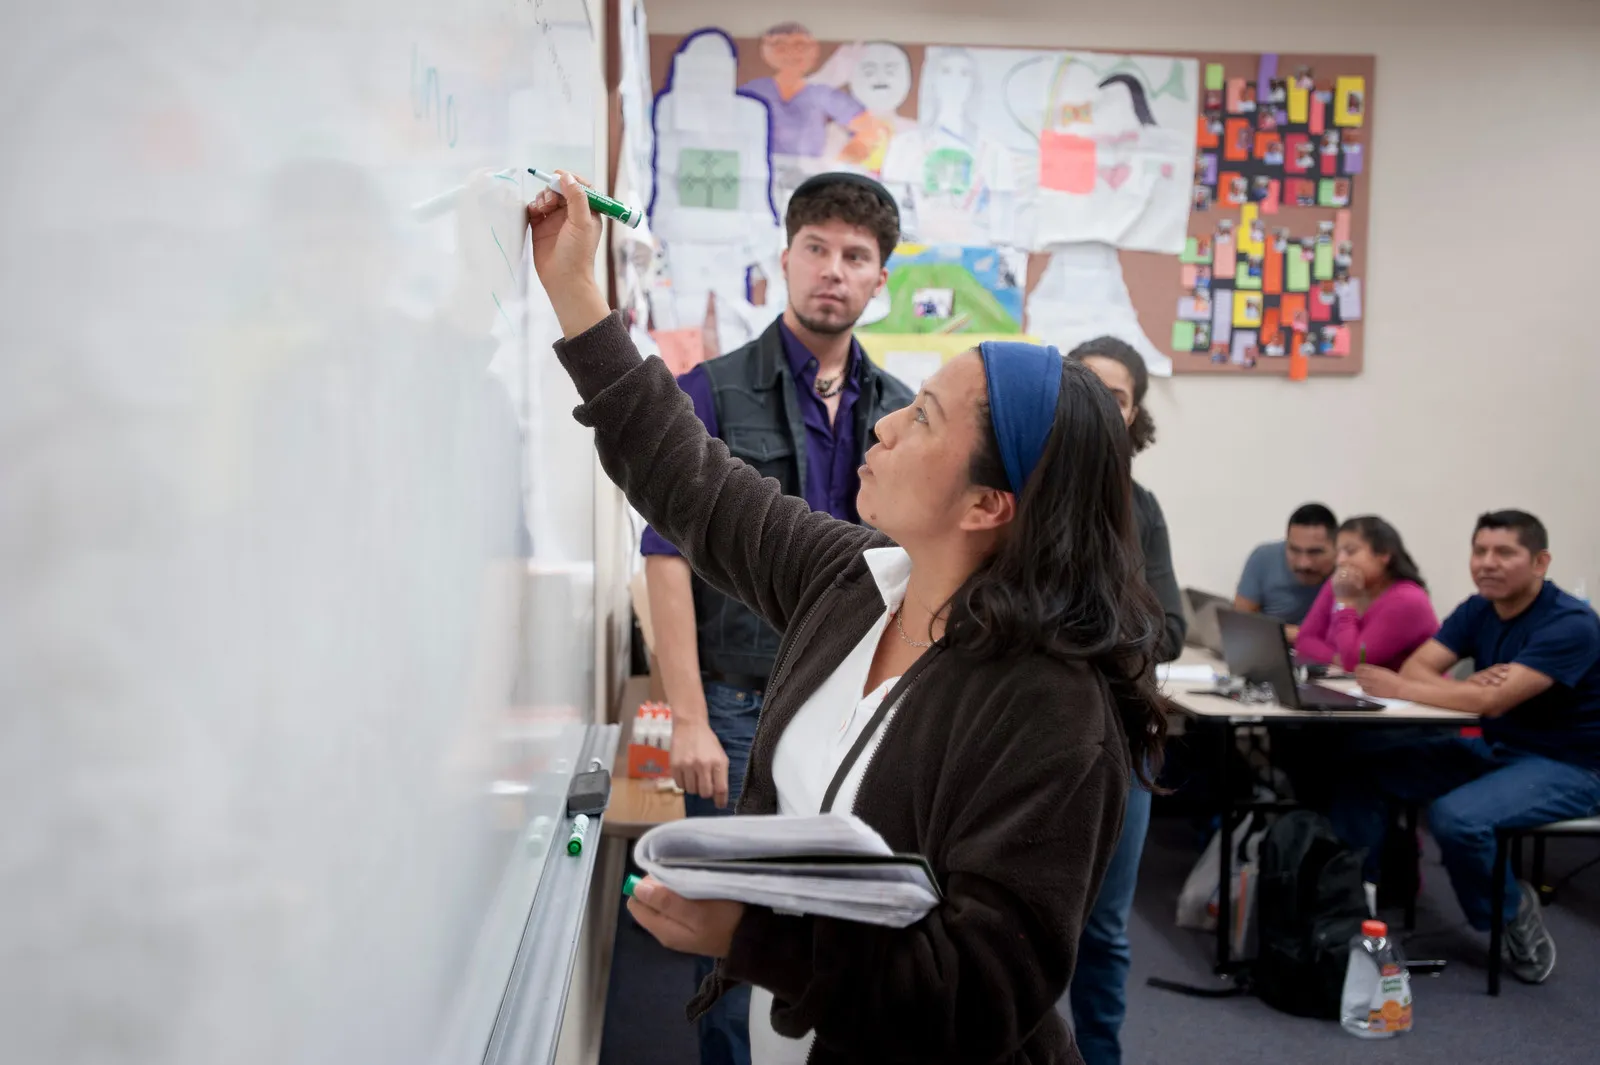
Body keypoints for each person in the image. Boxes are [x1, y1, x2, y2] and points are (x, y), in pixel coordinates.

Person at [528, 170, 1172, 1063]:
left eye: (925, 420)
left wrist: (752, 937)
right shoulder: (861, 583)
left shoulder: (1051, 712)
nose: (885, 426)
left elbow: (976, 993)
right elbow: (693, 485)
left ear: (988, 504)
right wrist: (573, 290)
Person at [639, 170, 913, 1065]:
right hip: (737, 701)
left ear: (880, 279)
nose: (833, 269)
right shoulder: (710, 388)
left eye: (856, 256)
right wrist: (688, 714)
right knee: (732, 933)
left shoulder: (904, 412)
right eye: (816, 248)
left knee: (838, 921)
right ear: (785, 259)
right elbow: (666, 555)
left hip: (860, 703)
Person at [1335, 511, 1600, 985]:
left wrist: (1414, 688)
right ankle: (1358, 901)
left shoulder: (1571, 624)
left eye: (1505, 553)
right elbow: (1421, 668)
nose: (1488, 563)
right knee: (1362, 766)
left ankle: (1511, 912)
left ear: (1540, 562)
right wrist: (1457, 689)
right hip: (1497, 752)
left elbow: (1488, 700)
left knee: (1458, 819)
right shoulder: (1479, 608)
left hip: (1569, 766)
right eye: (1480, 551)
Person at [1066, 336, 1184, 1065]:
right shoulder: (1016, 486)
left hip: (1121, 738)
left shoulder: (1143, 509)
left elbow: (1167, 629)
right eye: (1086, 387)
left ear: (1135, 412)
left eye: (1117, 396)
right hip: (1024, 736)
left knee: (1103, 929)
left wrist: (1081, 623)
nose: (1102, 406)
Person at [1294, 516, 1437, 672]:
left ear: (1383, 554)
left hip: (1408, 694)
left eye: (1350, 551)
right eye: (1339, 552)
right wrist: (1336, 658)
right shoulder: (1340, 584)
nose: (1341, 561)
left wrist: (1346, 603)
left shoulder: (1407, 600)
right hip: (1349, 687)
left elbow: (1356, 662)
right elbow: (1304, 640)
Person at [1234, 503, 1338, 640]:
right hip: (1267, 648)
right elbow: (1239, 623)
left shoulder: (1350, 572)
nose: (1303, 563)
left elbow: (1348, 640)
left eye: (1315, 552)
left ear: (1337, 547)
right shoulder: (1264, 558)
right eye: (1294, 550)